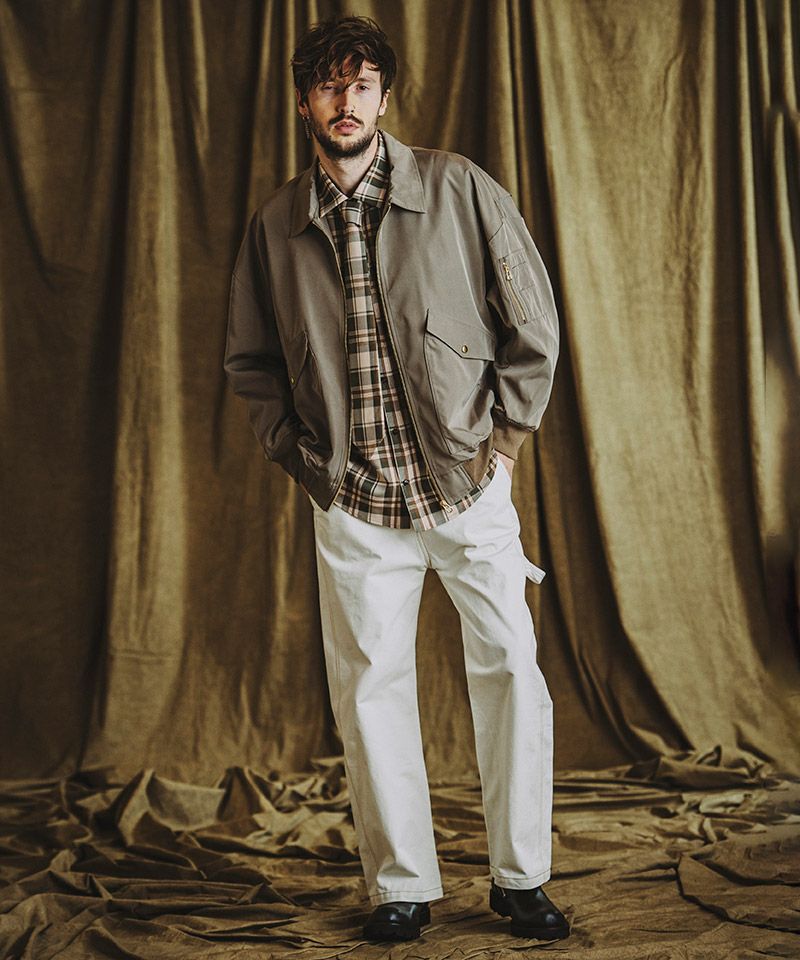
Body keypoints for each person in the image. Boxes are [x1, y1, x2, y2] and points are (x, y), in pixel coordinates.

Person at [224, 15, 570, 944]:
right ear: (306, 102)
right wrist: (309, 467)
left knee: (512, 671)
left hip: (466, 485)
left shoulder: (458, 187)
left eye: (362, 84)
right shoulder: (275, 226)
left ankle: (520, 879)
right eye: (329, 86)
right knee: (370, 690)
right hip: (355, 503)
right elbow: (252, 364)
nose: (347, 102)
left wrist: (504, 446)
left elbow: (532, 322)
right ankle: (401, 886)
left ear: (384, 96)